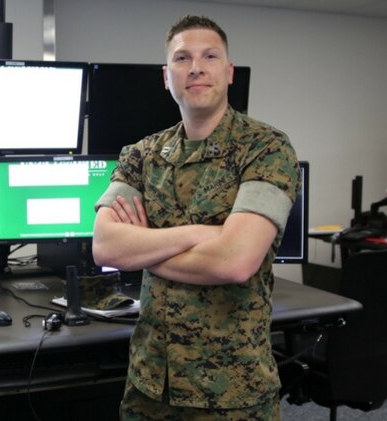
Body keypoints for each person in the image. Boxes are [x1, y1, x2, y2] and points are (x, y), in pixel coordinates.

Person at [92, 15, 300, 421]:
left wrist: (146, 246)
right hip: (150, 385)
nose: (196, 67)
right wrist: (202, 234)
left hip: (231, 391)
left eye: (209, 56)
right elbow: (106, 247)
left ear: (229, 71)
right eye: (182, 58)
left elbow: (235, 262)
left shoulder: (266, 149)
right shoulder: (141, 155)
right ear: (166, 77)